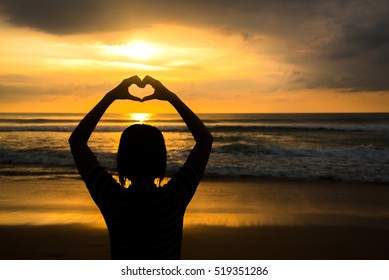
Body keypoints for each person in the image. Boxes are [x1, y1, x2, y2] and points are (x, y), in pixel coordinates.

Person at [69, 75, 213, 259]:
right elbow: (205, 141)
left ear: (122, 160)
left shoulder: (112, 198)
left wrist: (111, 96)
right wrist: (171, 97)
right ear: (162, 160)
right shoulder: (174, 198)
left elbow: (77, 142)